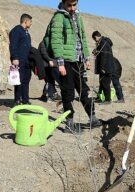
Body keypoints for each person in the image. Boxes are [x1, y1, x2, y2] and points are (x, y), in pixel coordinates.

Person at [50, 0, 101, 133]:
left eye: (74, 5)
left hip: (78, 61)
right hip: (66, 61)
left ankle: (92, 117)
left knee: (84, 90)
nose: (72, 8)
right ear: (63, 3)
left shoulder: (78, 16)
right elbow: (56, 41)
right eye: (69, 5)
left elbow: (82, 38)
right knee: (68, 93)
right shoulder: (59, 17)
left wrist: (86, 57)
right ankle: (69, 123)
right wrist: (60, 63)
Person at [9, 13, 33, 106]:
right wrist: (15, 57)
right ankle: (17, 100)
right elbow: (13, 45)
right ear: (25, 21)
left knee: (26, 80)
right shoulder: (16, 31)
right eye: (30, 22)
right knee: (18, 80)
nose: (31, 24)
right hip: (18, 60)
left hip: (27, 61)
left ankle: (25, 99)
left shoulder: (26, 33)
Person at [92, 30, 115, 104]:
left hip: (106, 68)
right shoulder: (102, 43)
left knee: (105, 84)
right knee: (102, 83)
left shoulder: (103, 43)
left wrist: (102, 68)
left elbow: (104, 57)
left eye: (94, 39)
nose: (95, 41)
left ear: (96, 37)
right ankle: (99, 98)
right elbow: (100, 53)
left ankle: (107, 100)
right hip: (106, 67)